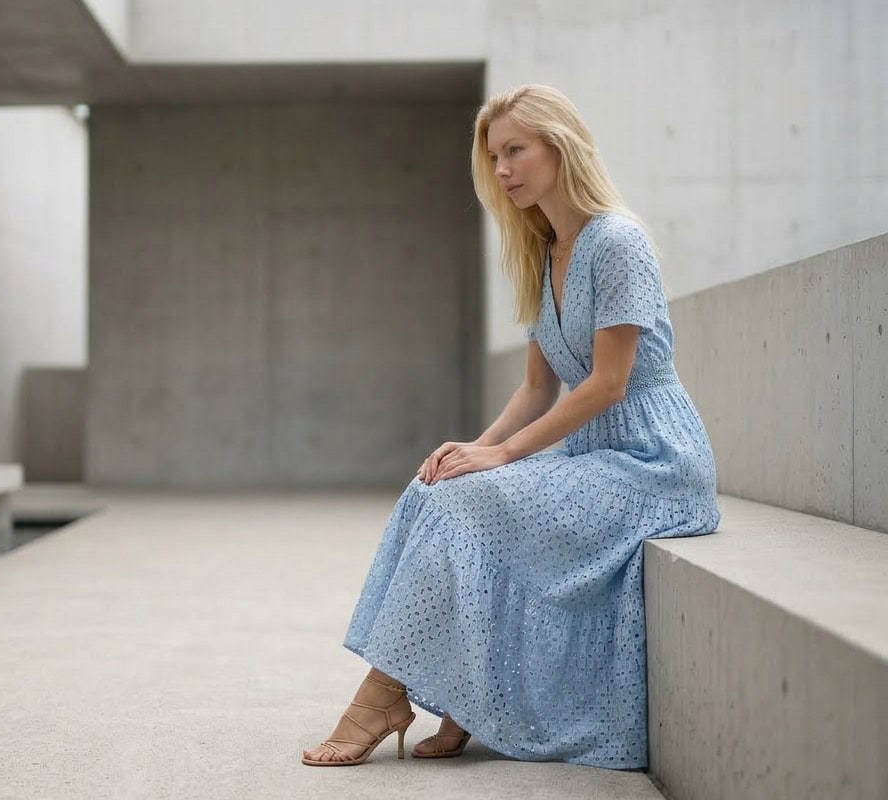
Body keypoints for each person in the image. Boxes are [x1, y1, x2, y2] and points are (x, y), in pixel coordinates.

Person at [301, 84, 721, 769]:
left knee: (475, 498)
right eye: (494, 157)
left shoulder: (618, 242)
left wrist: (505, 459)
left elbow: (608, 384)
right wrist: (478, 447)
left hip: (656, 463)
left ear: (559, 145)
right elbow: (536, 387)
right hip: (593, 457)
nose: (501, 170)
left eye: (514, 151)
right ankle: (451, 695)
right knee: (435, 486)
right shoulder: (540, 250)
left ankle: (381, 697)